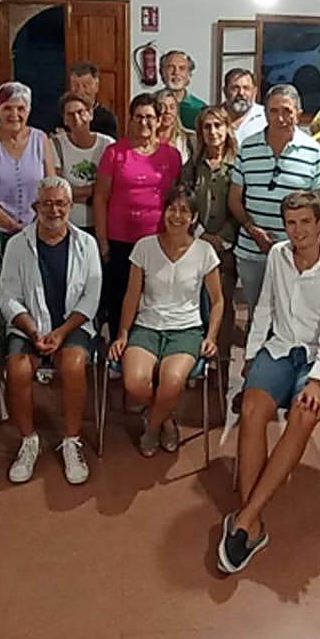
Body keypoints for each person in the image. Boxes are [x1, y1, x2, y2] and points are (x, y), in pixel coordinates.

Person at [218, 192, 320, 574]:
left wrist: (318, 380)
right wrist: (251, 354)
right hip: (281, 347)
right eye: (291, 223)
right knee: (251, 408)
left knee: (303, 414)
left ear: (319, 224)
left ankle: (246, 519)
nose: (298, 231)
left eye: (305, 222)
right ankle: (251, 523)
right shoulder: (278, 255)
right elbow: (265, 307)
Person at [0, 177, 101, 485]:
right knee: (17, 369)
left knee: (73, 365)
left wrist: (61, 332)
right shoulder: (17, 245)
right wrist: (33, 331)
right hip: (29, 326)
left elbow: (91, 297)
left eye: (60, 204)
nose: (54, 210)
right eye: (47, 203)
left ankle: (71, 441)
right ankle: (28, 441)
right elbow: (8, 296)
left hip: (72, 325)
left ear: (70, 206)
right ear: (35, 207)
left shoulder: (87, 244)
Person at [110, 186, 224, 456]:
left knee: (172, 381)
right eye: (172, 209)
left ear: (194, 218)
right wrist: (123, 333)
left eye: (184, 211)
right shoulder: (145, 247)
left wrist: (211, 337)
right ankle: (166, 419)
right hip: (147, 326)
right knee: (135, 382)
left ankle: (152, 426)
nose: (177, 215)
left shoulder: (205, 251)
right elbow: (131, 296)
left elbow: (218, 301)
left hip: (186, 329)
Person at [0, 81, 57, 355]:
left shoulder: (40, 139)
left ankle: (37, 342)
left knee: (35, 288)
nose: (14, 114)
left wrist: (35, 223)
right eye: (8, 108)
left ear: (28, 110)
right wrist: (9, 223)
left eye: (20, 108)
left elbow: (51, 185)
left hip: (37, 229)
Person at [229, 84, 320, 319]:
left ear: (298, 113)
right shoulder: (248, 147)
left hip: (295, 251)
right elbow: (234, 199)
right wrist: (253, 231)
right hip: (252, 250)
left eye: (287, 111)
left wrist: (301, 241)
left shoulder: (313, 150)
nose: (280, 118)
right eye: (273, 111)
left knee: (293, 315)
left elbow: (318, 204)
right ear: (265, 113)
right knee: (257, 314)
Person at [93, 92, 183, 340]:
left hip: (157, 240)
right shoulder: (114, 153)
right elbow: (100, 197)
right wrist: (103, 241)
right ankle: (118, 348)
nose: (144, 122)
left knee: (154, 298)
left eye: (150, 117)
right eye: (139, 117)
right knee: (119, 299)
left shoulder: (171, 155)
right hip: (120, 241)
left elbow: (178, 198)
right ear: (130, 120)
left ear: (159, 120)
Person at [181, 105, 240, 358]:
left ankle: (222, 363)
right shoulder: (193, 167)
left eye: (218, 126)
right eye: (207, 127)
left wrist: (222, 238)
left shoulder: (238, 165)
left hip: (228, 250)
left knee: (223, 305)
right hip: (196, 245)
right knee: (196, 304)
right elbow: (183, 201)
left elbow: (243, 204)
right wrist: (202, 234)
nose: (213, 132)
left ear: (227, 129)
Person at [53, 91, 113, 235]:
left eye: (80, 112)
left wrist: (75, 192)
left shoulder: (108, 144)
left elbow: (114, 188)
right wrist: (96, 191)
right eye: (70, 114)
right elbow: (58, 190)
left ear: (90, 114)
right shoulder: (56, 144)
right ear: (64, 119)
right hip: (69, 224)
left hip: (102, 223)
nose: (76, 118)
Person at [67, 61, 119, 138]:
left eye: (85, 85)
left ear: (96, 86)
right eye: (75, 85)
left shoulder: (107, 119)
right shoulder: (62, 115)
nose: (80, 91)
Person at [160, 50, 206, 130]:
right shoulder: (151, 104)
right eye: (170, 68)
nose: (176, 72)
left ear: (189, 74)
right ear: (162, 72)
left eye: (182, 68)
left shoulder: (200, 108)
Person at [223, 68, 266, 144]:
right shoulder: (213, 117)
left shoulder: (266, 117)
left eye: (246, 88)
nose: (241, 93)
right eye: (235, 88)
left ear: (254, 91)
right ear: (225, 91)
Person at [155, 87, 193, 162]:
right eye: (162, 107)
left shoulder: (189, 140)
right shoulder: (145, 140)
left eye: (172, 107)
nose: (167, 111)